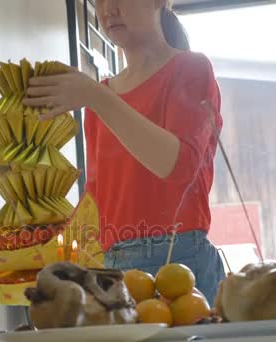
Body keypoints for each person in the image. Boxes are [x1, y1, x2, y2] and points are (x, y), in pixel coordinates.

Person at [23, 0, 224, 305]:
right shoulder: (102, 96)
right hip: (113, 268)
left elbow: (179, 165)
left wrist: (97, 97)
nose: (108, 9)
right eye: (99, 0)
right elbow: (98, 203)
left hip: (180, 263)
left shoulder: (191, 68)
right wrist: (37, 233)